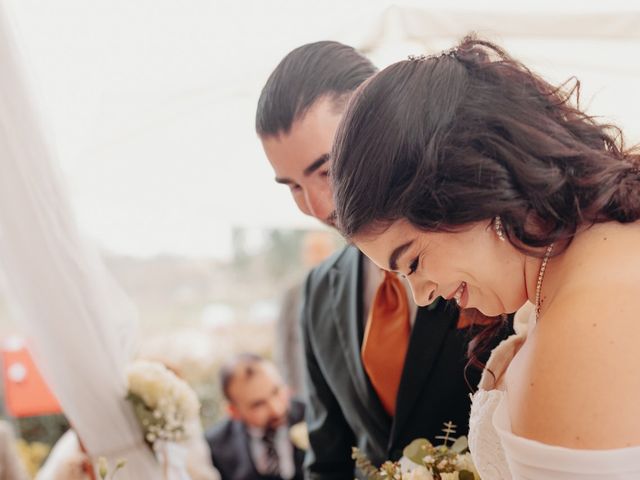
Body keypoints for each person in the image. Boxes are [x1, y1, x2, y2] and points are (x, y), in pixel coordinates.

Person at [330, 34, 640, 479]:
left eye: (413, 262)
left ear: (472, 188)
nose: (421, 295)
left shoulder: (586, 320)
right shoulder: (598, 247)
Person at [256, 41, 509, 478]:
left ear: (378, 119)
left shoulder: (487, 248)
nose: (317, 207)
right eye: (292, 186)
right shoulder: (317, 293)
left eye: (326, 169)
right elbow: (328, 458)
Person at [205, 354, 305, 480]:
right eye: (258, 404)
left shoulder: (314, 418)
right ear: (234, 411)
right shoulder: (216, 446)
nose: (276, 409)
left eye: (276, 391)